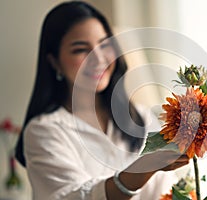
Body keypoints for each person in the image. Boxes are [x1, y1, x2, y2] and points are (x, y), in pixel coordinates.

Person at [15, 1, 189, 200]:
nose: (98, 58)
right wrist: (141, 169)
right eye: (81, 49)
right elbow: (76, 197)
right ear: (54, 62)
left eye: (105, 45)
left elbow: (166, 191)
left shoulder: (140, 117)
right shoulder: (44, 131)